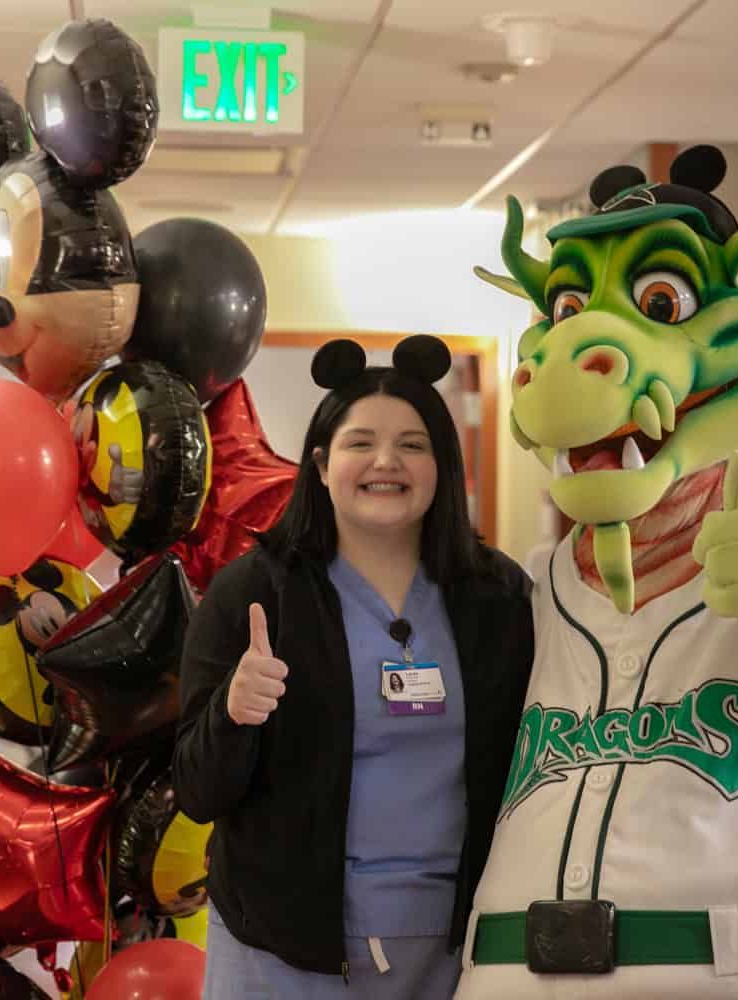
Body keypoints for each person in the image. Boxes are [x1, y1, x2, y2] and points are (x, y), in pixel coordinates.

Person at [172, 334, 535, 999]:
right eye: (360, 443)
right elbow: (196, 789)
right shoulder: (255, 593)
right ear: (319, 462)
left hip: (460, 949)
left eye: (413, 444)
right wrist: (234, 711)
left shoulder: (498, 598)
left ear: (442, 465)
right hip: (281, 953)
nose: (385, 462)